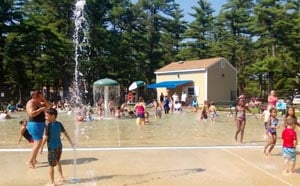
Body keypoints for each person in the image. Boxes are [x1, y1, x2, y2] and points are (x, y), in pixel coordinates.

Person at [40, 108, 73, 186]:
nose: (45, 118)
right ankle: (61, 177)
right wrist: (71, 142)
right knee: (58, 161)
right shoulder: (59, 124)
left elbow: (45, 137)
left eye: (47, 116)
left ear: (53, 116)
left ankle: (52, 182)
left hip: (52, 148)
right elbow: (65, 133)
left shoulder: (48, 125)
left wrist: (41, 147)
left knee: (51, 165)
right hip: (59, 146)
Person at [26, 90, 51, 168]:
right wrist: (40, 109)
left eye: (41, 96)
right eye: (40, 97)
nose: (41, 98)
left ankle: (34, 159)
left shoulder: (39, 102)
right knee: (37, 143)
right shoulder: (31, 103)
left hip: (39, 124)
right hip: (34, 124)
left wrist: (44, 99)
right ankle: (29, 161)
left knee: (38, 143)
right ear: (35, 97)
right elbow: (31, 114)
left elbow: (49, 107)